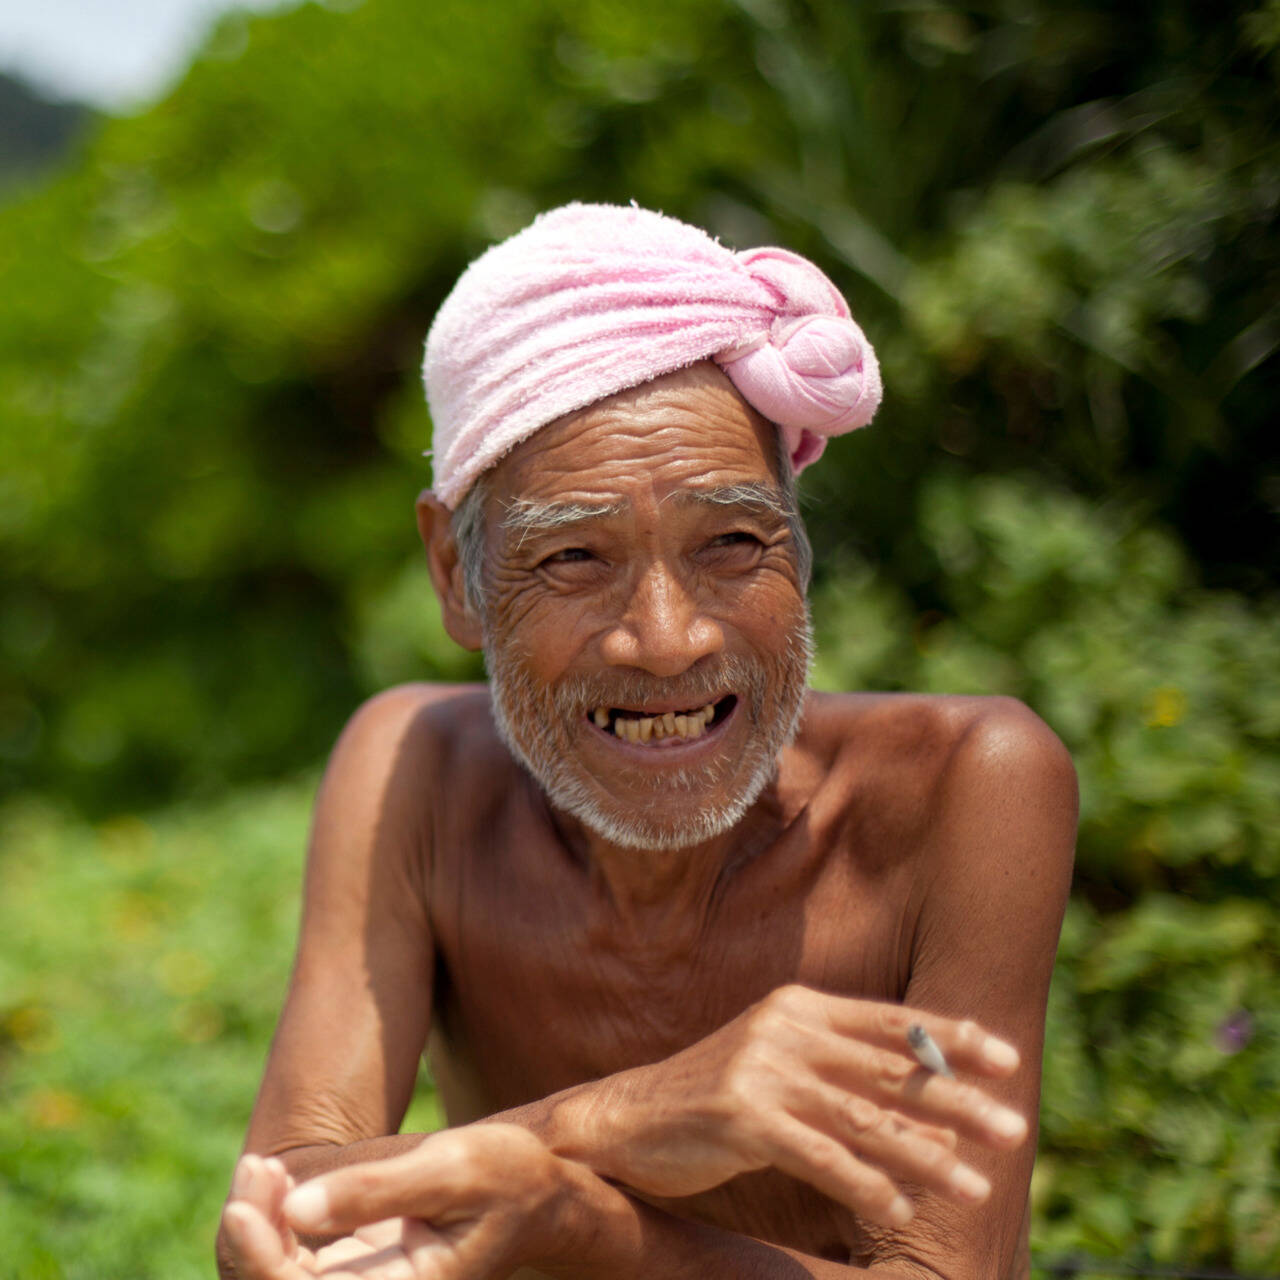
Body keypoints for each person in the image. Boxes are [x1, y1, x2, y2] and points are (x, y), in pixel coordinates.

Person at [216, 203, 1076, 1280]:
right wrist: (611, 1121)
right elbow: (278, 1207)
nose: (668, 641)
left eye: (730, 541)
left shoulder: (965, 788)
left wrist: (575, 1218)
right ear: (455, 574)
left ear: (797, 546)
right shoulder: (416, 769)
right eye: (574, 557)